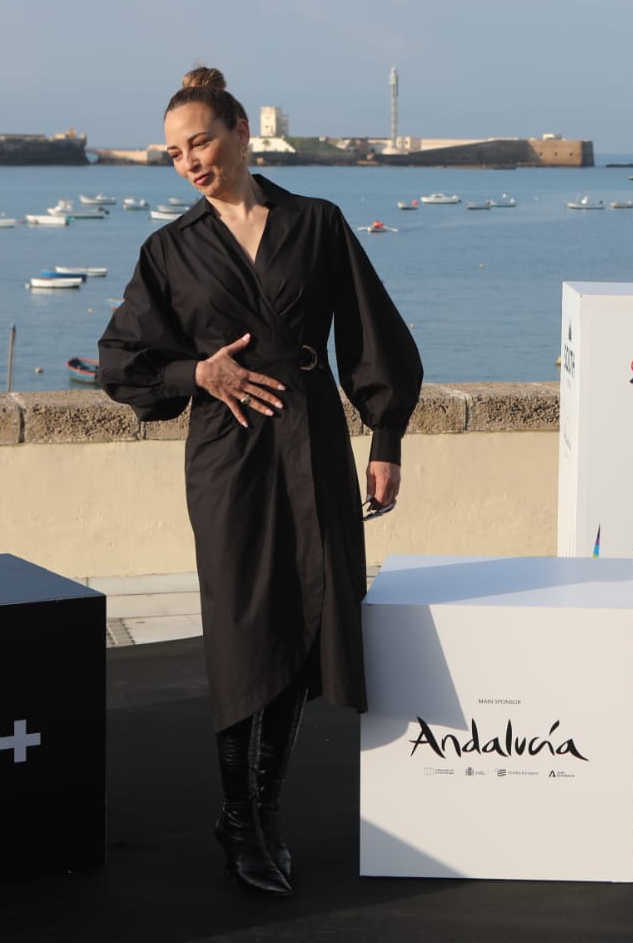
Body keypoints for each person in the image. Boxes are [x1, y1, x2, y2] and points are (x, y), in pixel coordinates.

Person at [98, 67, 423, 896]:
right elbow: (122, 364)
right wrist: (195, 375)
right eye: (174, 154)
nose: (190, 163)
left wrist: (383, 435)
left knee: (304, 626)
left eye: (200, 142)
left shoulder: (316, 224)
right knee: (247, 630)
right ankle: (241, 821)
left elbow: (372, 329)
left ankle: (258, 813)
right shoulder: (168, 250)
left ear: (242, 132)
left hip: (312, 440)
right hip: (227, 454)